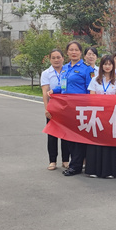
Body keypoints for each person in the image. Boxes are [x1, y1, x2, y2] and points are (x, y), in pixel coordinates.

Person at [48, 41, 94, 176]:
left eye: (76, 50)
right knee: (68, 137)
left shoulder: (87, 69)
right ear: (67, 52)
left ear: (80, 52)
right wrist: (54, 91)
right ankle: (74, 163)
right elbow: (63, 86)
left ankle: (76, 166)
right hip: (66, 108)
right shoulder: (65, 68)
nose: (74, 52)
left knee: (77, 137)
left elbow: (90, 89)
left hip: (80, 108)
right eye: (71, 50)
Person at [85, 55, 116, 179]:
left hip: (111, 115)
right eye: (105, 64)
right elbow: (92, 96)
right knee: (96, 141)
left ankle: (109, 171)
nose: (107, 66)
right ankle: (93, 169)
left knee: (109, 142)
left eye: (110, 64)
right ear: (101, 66)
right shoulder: (95, 80)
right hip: (97, 114)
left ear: (113, 66)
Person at [41, 48, 69, 170]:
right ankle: (52, 161)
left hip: (66, 107)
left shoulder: (67, 70)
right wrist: (47, 109)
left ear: (63, 58)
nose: (56, 60)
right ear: (50, 59)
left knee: (65, 134)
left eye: (58, 57)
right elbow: (45, 92)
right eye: (53, 58)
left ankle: (65, 160)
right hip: (53, 106)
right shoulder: (46, 73)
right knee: (52, 134)